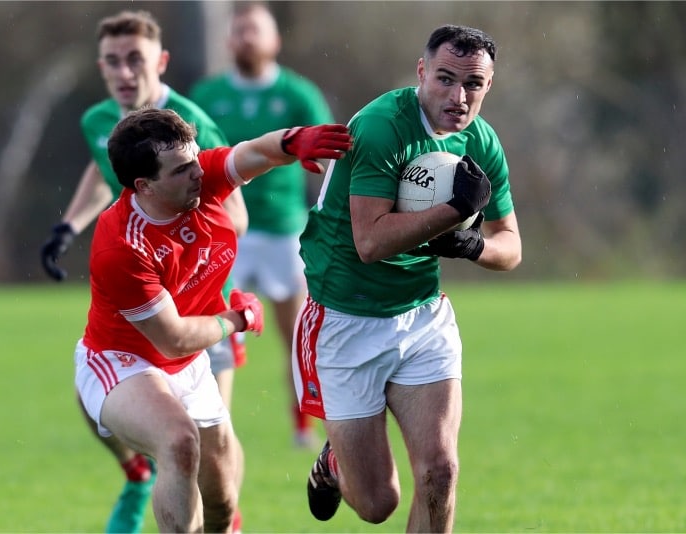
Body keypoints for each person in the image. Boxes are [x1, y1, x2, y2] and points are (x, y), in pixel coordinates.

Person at [75, 106, 352, 532]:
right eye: (182, 169)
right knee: (179, 443)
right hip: (123, 362)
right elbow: (173, 339)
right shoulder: (122, 247)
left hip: (189, 364)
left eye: (194, 159)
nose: (198, 172)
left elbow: (255, 153)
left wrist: (294, 142)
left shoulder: (198, 179)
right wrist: (237, 319)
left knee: (222, 502)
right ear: (144, 186)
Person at [295, 25, 522, 532]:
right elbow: (370, 242)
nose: (458, 97)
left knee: (440, 472)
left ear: (489, 85)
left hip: (422, 316)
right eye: (445, 78)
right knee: (378, 504)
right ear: (421, 72)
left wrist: (474, 245)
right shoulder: (382, 126)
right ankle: (334, 462)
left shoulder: (480, 140)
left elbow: (511, 247)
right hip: (345, 317)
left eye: (473, 84)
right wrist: (453, 212)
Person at [38, 10, 249, 533]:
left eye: (135, 59)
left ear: (161, 61)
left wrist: (183, 240)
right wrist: (68, 226)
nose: (124, 72)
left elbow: (235, 215)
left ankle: (222, 519)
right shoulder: (99, 120)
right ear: (101, 67)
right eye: (112, 61)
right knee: (115, 409)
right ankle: (139, 476)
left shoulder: (191, 124)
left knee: (212, 463)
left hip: (204, 306)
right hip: (148, 301)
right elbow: (101, 172)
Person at [189, 1, 335, 448]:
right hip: (222, 230)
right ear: (228, 40)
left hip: (283, 229)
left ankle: (303, 427)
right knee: (212, 329)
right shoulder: (207, 95)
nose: (246, 38)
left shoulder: (298, 93)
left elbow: (330, 155)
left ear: (275, 40)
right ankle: (212, 425)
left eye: (255, 30)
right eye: (239, 30)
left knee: (296, 334)